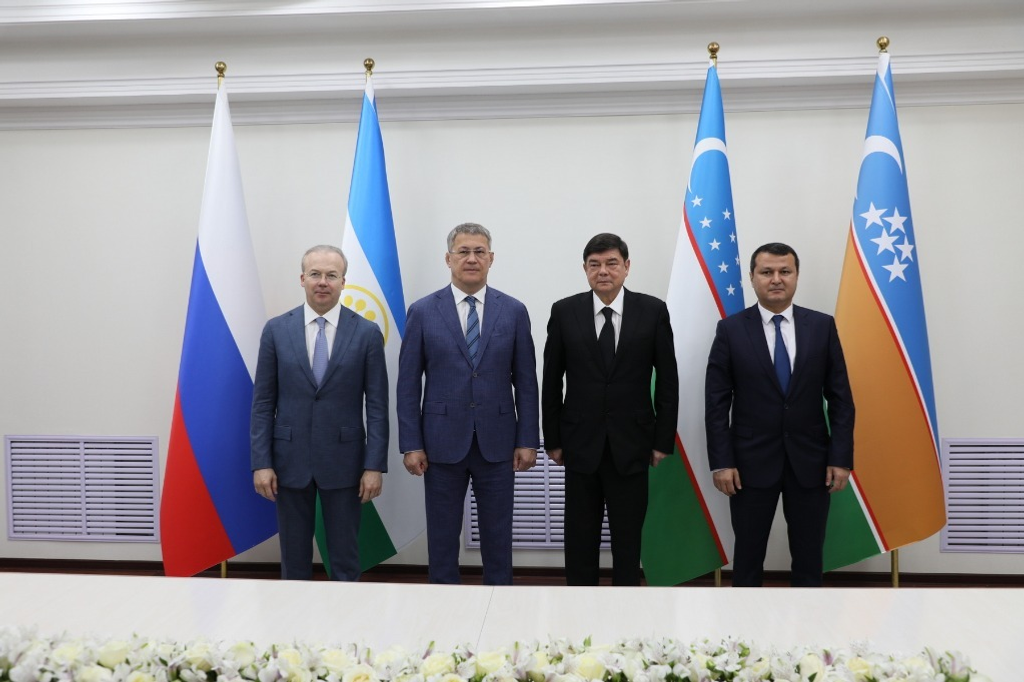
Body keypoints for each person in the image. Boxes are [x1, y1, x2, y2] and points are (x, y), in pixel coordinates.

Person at [705, 242, 855, 587]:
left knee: (809, 557)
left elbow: (841, 398)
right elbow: (716, 403)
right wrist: (722, 462)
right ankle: (744, 621)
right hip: (748, 464)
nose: (776, 279)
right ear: (752, 278)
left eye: (784, 271)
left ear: (796, 276)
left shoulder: (822, 326)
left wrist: (841, 458)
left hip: (811, 462)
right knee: (747, 557)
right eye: (767, 272)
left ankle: (807, 622)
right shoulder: (730, 330)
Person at [397, 222, 539, 585]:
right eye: (463, 252)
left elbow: (526, 382)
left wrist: (527, 440)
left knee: (498, 535)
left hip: (498, 443)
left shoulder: (514, 310)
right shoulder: (423, 311)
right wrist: (411, 444)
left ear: (491, 258)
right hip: (440, 444)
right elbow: (408, 385)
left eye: (479, 252)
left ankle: (499, 600)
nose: (471, 258)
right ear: (448, 259)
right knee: (442, 536)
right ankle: (444, 605)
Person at [542, 233, 678, 586]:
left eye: (611, 263)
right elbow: (551, 380)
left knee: (628, 540)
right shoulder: (564, 311)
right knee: (580, 539)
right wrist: (552, 439)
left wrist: (662, 440)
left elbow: (668, 381)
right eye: (595, 264)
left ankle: (625, 611)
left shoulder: (652, 311)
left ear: (626, 267)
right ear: (585, 269)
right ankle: (579, 606)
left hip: (633, 444)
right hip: (579, 445)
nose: (603, 271)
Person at [250, 244, 388, 581]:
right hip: (288, 462)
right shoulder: (276, 330)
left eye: (331, 275)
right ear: (302, 279)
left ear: (343, 282)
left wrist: (374, 466)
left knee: (345, 559)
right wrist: (261, 463)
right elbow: (263, 403)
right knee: (293, 560)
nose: (322, 282)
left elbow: (377, 406)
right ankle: (295, 617)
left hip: (345, 462)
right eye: (315, 274)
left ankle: (344, 616)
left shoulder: (367, 333)